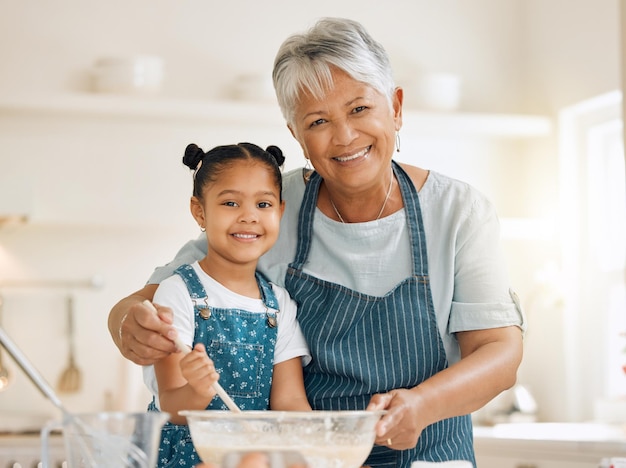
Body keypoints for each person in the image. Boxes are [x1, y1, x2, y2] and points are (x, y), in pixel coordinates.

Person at [108, 17, 524, 468]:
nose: (344, 136)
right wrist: (131, 327)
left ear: (396, 107)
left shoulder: (458, 211)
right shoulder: (270, 207)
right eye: (318, 120)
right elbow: (140, 306)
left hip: (430, 457)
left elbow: (500, 353)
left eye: (360, 109)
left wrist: (422, 405)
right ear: (296, 135)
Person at [144, 142, 312, 467]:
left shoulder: (279, 305)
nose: (249, 216)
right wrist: (198, 389)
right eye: (231, 202)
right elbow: (171, 406)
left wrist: (320, 448)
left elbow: (290, 402)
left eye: (263, 204)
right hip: (186, 457)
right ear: (200, 211)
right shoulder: (176, 293)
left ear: (280, 211)